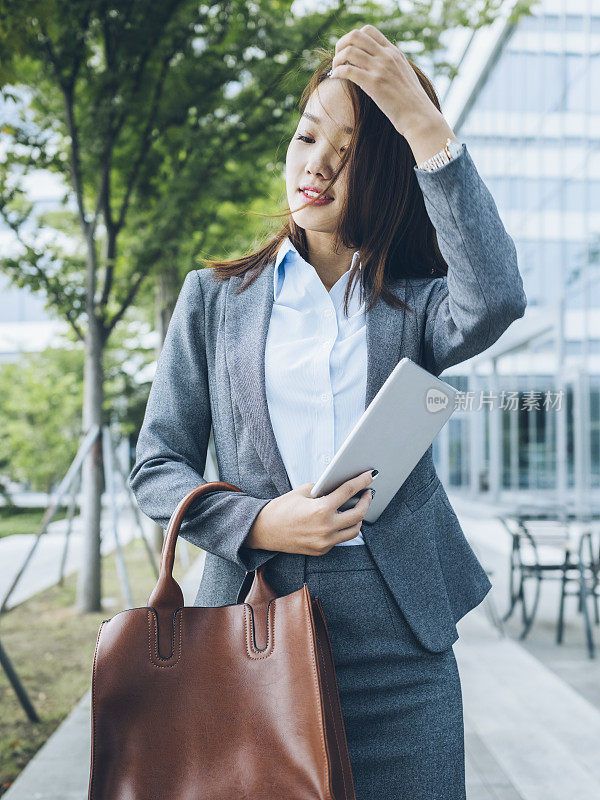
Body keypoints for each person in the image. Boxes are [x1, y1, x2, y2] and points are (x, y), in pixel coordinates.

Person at [129, 24, 527, 800]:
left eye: (346, 152)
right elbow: (156, 466)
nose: (317, 164)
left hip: (401, 661)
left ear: (386, 174)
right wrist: (256, 523)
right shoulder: (213, 300)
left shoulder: (415, 306)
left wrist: (423, 124)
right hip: (250, 633)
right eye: (308, 137)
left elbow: (498, 295)